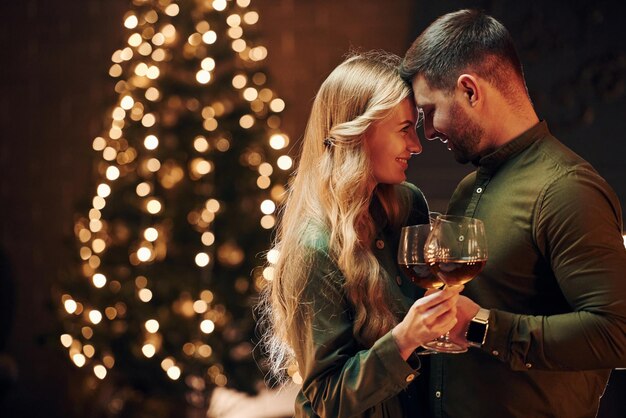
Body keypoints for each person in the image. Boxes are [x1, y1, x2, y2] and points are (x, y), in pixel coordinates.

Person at [399, 9, 626, 418]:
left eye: (430, 111)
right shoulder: (472, 185)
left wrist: (481, 326)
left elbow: (617, 332)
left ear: (470, 90)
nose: (427, 132)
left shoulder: (567, 188)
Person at [258, 51, 461, 418]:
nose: (416, 146)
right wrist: (404, 339)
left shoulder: (407, 203)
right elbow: (326, 400)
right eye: (404, 130)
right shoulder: (314, 247)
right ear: (358, 130)